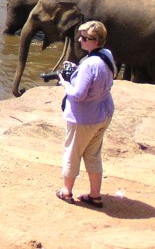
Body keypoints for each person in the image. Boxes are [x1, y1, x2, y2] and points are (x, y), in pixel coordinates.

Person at [56, 20, 115, 208]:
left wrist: (65, 83)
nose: (80, 41)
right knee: (93, 154)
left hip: (84, 118)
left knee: (72, 153)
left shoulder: (89, 64)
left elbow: (78, 95)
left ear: (96, 41)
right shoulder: (106, 55)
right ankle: (95, 195)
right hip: (103, 114)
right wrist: (76, 71)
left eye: (84, 38)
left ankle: (66, 191)